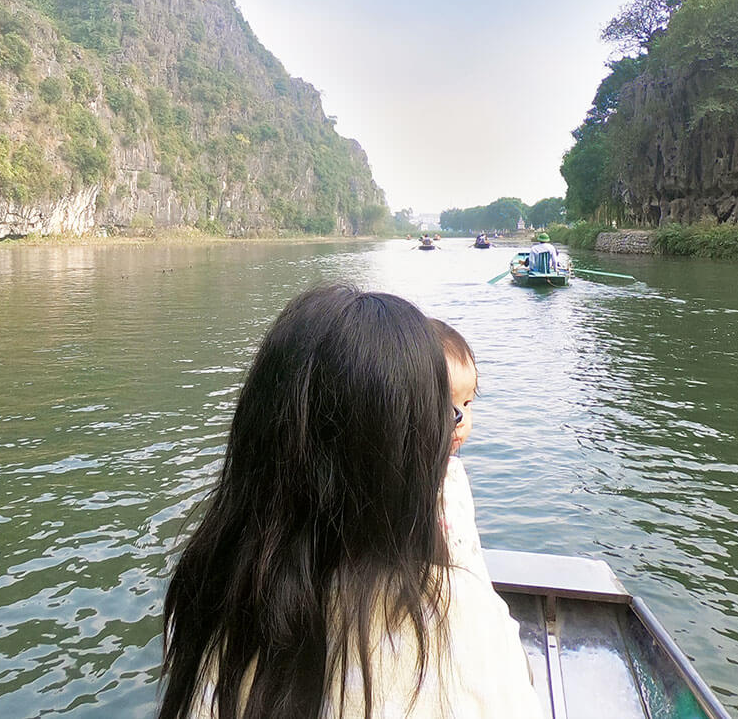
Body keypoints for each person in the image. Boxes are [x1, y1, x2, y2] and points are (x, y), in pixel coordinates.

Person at [158, 285, 541, 719]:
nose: (454, 428)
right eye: (444, 414)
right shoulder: (461, 623)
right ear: (410, 455)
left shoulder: (208, 596)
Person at [430, 318, 488, 581]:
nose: (461, 419)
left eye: (467, 402)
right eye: (447, 406)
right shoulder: (408, 484)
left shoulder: (452, 473)